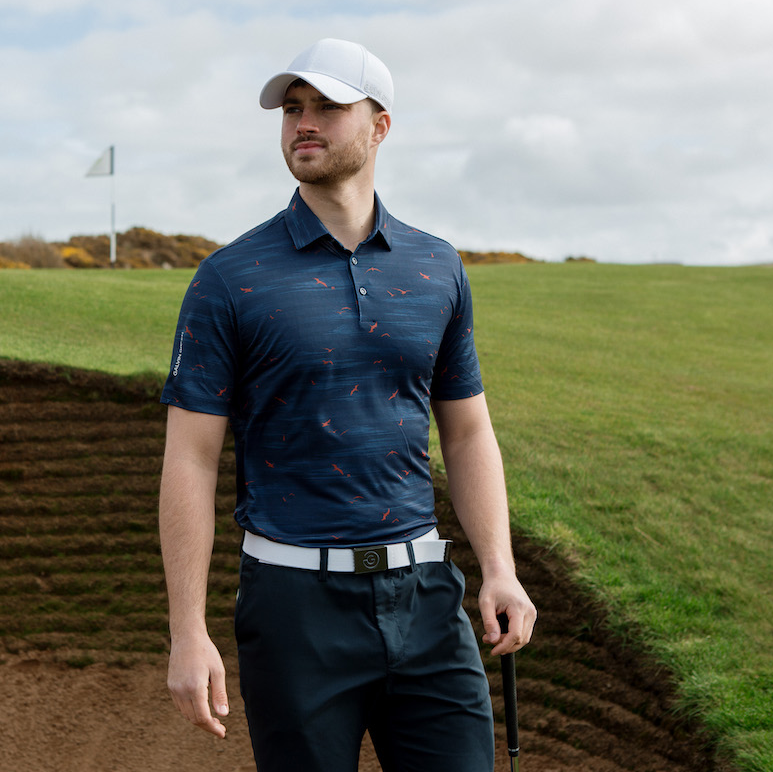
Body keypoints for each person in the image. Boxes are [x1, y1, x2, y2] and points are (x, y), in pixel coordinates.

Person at [158, 37, 537, 772]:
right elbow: (191, 458)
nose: (304, 122)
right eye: (292, 108)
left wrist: (500, 566)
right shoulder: (229, 278)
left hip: (426, 596)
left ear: (380, 126)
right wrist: (187, 630)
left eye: (328, 107)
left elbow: (466, 433)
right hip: (292, 607)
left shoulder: (437, 267)